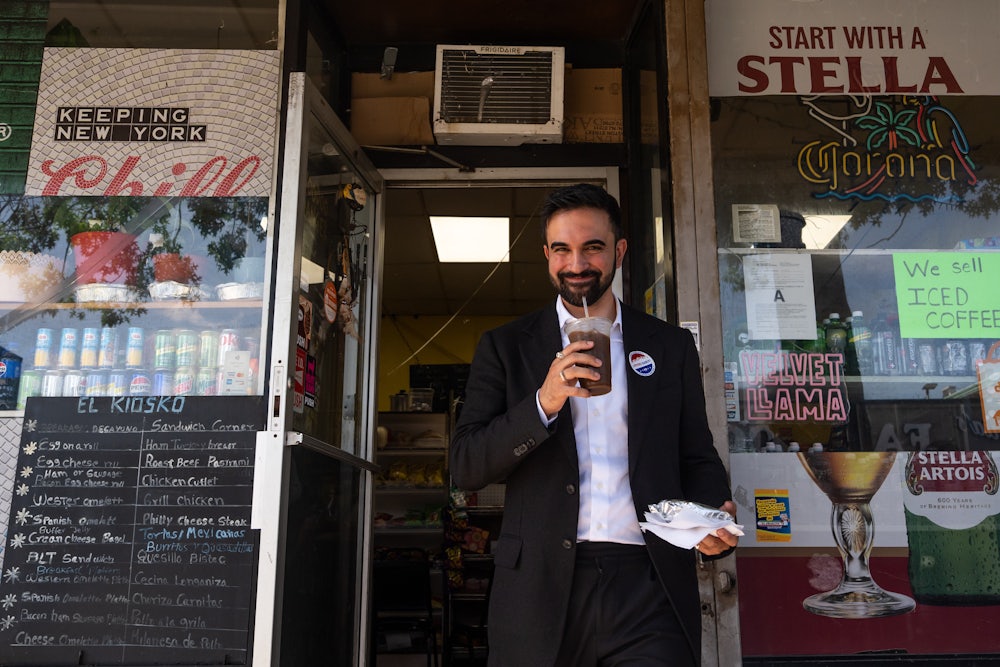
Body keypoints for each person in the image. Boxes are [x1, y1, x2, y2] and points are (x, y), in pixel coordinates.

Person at [450, 183, 738, 667]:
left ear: (620, 251)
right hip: (539, 587)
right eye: (562, 249)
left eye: (593, 247)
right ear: (546, 256)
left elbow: (696, 454)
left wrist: (709, 519)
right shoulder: (505, 347)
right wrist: (544, 401)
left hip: (650, 585)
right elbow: (465, 465)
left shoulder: (668, 346)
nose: (577, 263)